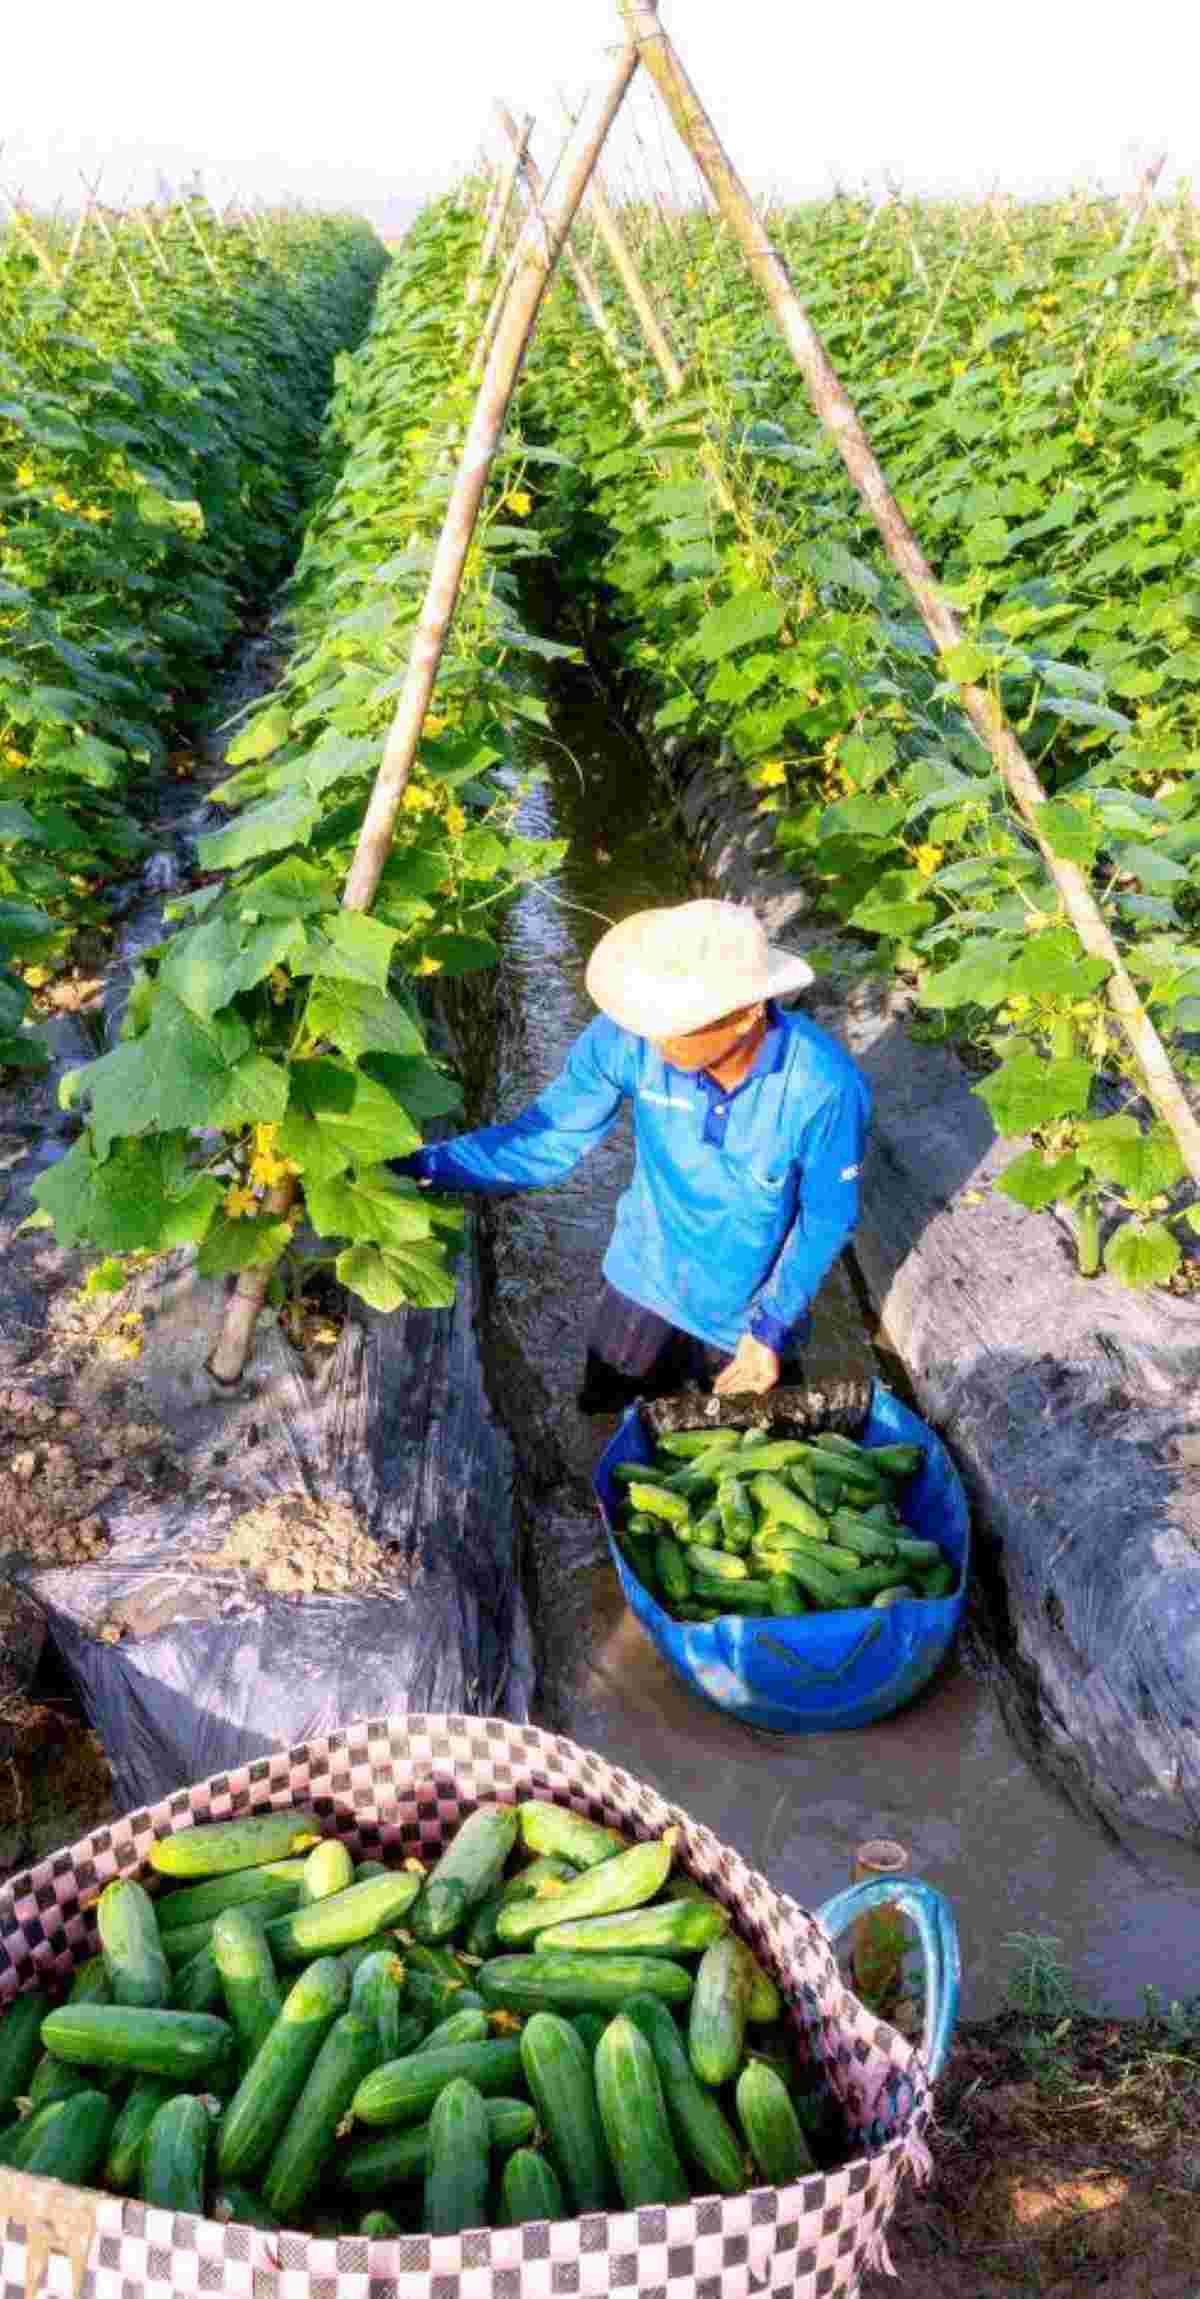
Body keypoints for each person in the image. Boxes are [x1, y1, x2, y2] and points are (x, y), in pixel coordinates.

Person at [393, 899, 871, 1411]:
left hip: (749, 1312)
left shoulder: (821, 1087)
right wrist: (422, 1165)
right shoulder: (630, 1039)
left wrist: (772, 1327)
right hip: (645, 1277)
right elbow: (547, 1138)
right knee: (610, 1417)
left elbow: (826, 1218)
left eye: (679, 1022)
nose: (656, 1036)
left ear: (748, 1013)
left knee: (748, 1447)